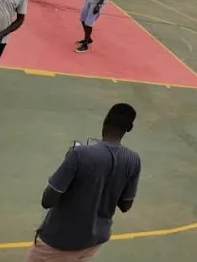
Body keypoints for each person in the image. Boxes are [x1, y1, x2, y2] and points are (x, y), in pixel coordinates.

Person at [27, 103, 142, 262]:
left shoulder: (80, 154)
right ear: (129, 128)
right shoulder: (133, 160)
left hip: (58, 241)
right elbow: (125, 205)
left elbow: (48, 200)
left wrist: (70, 163)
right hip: (93, 241)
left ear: (106, 120)